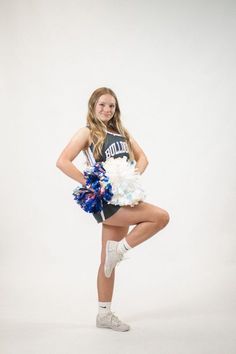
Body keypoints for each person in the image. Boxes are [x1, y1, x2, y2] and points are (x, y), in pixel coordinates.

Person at [56, 87, 170, 332]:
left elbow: (143, 158)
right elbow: (62, 161)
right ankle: (119, 249)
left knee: (108, 262)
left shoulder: (122, 132)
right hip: (107, 201)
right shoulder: (87, 131)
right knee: (161, 217)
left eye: (111, 106)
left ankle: (103, 314)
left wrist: (128, 178)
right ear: (92, 106)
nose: (107, 109)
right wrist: (90, 183)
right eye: (102, 105)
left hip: (124, 197)